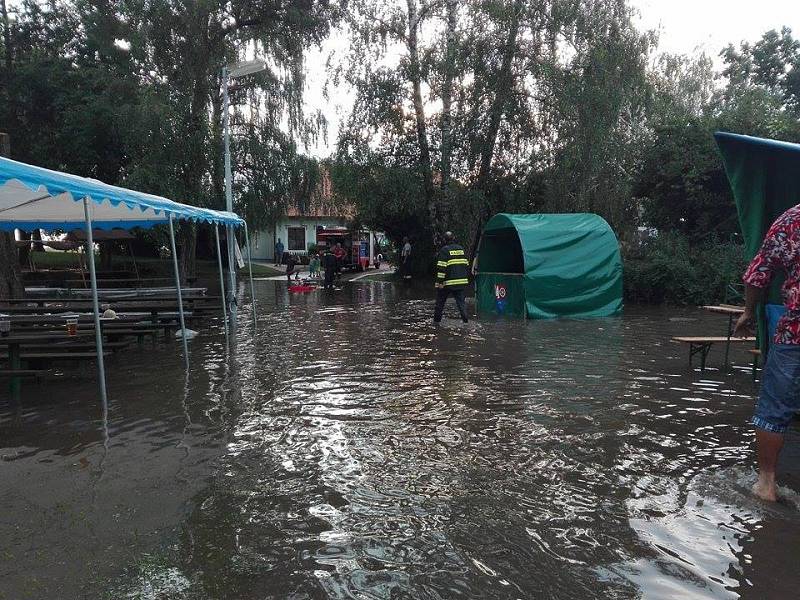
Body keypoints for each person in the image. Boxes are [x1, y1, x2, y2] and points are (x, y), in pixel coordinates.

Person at [734, 204, 800, 502]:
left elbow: (757, 274)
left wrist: (748, 311)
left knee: (774, 410)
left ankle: (766, 484)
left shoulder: (791, 219)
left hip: (795, 332)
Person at [433, 231, 470, 324]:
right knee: (461, 303)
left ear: (444, 240)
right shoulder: (461, 249)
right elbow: (466, 264)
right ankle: (466, 322)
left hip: (448, 283)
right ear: (453, 239)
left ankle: (436, 323)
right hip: (461, 282)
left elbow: (441, 268)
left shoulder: (444, 250)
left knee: (439, 304)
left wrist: (439, 283)